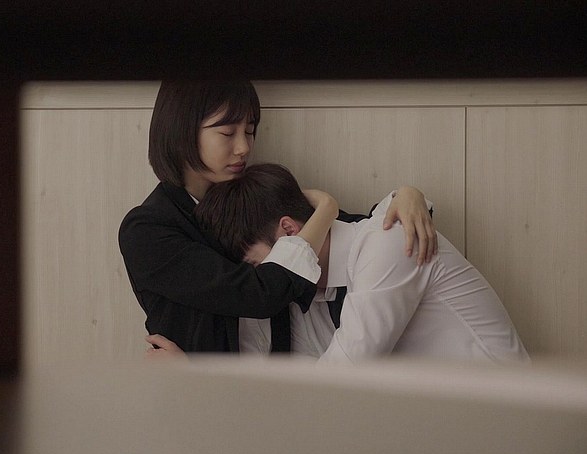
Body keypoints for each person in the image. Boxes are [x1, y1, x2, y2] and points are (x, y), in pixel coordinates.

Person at [119, 80, 437, 354]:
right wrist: (325, 207)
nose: (244, 147)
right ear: (182, 132)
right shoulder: (147, 229)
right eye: (227, 133)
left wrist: (406, 197)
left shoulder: (246, 197)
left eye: (250, 131)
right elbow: (258, 294)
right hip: (199, 391)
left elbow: (349, 233)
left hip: (283, 384)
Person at [164, 163, 528, 363]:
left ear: (289, 231)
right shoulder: (320, 296)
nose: (264, 283)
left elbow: (342, 378)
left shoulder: (385, 242)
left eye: (258, 266)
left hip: (506, 426)